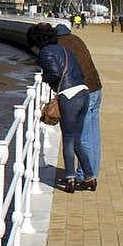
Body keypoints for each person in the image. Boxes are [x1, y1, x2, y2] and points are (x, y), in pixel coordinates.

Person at [27, 23, 94, 192]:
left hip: (69, 96)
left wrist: (45, 79)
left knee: (68, 139)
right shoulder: (65, 50)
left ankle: (70, 178)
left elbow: (55, 73)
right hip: (83, 93)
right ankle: (90, 177)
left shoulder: (45, 52)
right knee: (77, 140)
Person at [55, 25, 104, 191]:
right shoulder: (77, 40)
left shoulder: (60, 46)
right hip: (97, 87)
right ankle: (92, 172)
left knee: (82, 136)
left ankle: (84, 175)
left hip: (84, 91)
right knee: (94, 135)